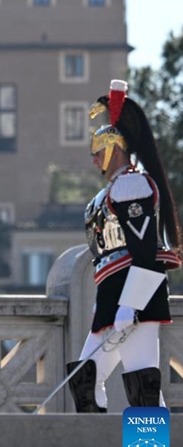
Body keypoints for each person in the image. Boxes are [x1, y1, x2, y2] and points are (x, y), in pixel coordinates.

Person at [68, 79, 182, 412]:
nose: (93, 161)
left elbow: (145, 252)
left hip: (136, 295)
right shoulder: (108, 193)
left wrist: (131, 304)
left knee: (142, 385)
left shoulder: (133, 185)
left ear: (115, 148)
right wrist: (108, 303)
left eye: (97, 152)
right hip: (113, 295)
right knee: (85, 380)